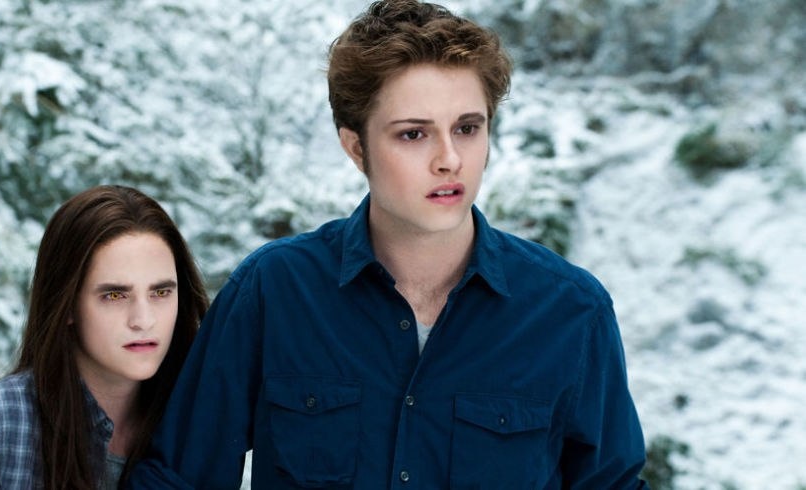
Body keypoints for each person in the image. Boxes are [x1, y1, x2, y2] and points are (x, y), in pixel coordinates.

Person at [128, 0, 649, 488]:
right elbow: (178, 477)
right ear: (356, 147)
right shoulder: (274, 290)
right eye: (413, 134)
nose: (449, 160)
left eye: (467, 128)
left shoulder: (572, 312)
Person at [0, 185, 209, 489]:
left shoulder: (196, 427)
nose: (143, 320)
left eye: (161, 292)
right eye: (115, 295)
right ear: (67, 304)